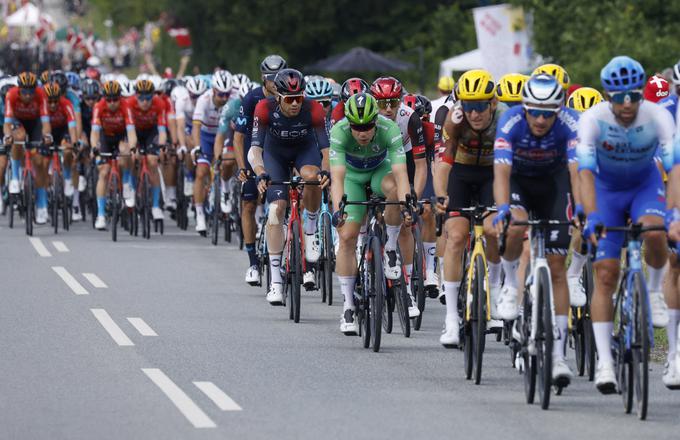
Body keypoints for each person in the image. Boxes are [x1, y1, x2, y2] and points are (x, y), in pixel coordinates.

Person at [577, 56, 673, 392]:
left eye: (634, 95)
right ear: (607, 96)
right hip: (606, 192)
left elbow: (674, 170)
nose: (628, 104)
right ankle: (605, 361)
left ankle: (655, 291)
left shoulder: (658, 116)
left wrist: (673, 213)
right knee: (605, 274)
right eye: (619, 98)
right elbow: (585, 173)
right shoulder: (592, 119)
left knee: (657, 232)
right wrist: (592, 216)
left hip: (645, 187)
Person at [493, 73, 581, 386]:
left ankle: (558, 356)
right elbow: (502, 171)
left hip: (555, 185)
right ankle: (512, 288)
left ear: (558, 111)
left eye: (548, 113)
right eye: (535, 112)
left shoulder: (571, 123)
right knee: (516, 226)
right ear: (524, 108)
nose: (541, 120)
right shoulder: (510, 121)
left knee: (557, 267)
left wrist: (581, 208)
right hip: (520, 182)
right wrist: (503, 208)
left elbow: (576, 170)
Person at [434, 70, 507, 346]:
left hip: (493, 174)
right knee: (455, 236)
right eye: (468, 105)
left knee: (493, 229)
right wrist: (441, 196)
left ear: (493, 103)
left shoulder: (505, 120)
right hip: (461, 175)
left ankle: (497, 292)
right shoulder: (455, 120)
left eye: (480, 106)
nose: (474, 113)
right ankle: (451, 318)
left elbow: (510, 167)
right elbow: (443, 165)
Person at [330, 92, 411, 334]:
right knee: (346, 237)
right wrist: (338, 211)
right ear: (349, 123)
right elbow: (337, 177)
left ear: (376, 121)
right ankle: (348, 305)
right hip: (352, 179)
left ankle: (391, 249)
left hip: (379, 172)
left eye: (367, 126)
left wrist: (407, 205)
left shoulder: (389, 128)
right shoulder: (339, 131)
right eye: (357, 126)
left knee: (395, 194)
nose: (362, 132)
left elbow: (401, 173)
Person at [248, 69, 330, 305]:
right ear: (278, 97)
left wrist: (326, 170)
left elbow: (325, 149)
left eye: (299, 98)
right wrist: (260, 172)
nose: (295, 104)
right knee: (276, 210)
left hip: (305, 152)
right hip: (276, 155)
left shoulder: (312, 108)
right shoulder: (264, 108)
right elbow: (255, 149)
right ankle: (275, 282)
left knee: (313, 177)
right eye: (290, 99)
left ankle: (311, 229)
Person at [233, 54, 287, 285]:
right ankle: (253, 262)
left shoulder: (290, 98)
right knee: (247, 203)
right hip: (253, 153)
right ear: (263, 78)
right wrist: (242, 168)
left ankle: (284, 257)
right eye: (270, 77)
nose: (274, 82)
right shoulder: (251, 98)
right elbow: (237, 139)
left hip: (277, 155)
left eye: (278, 77)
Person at [3, 72, 52, 224]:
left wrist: (47, 135)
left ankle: (42, 205)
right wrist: (7, 136)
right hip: (18, 122)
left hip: (35, 123)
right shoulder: (11, 95)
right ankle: (16, 179)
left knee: (40, 163)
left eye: (31, 91)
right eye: (25, 91)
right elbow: (7, 123)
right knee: (18, 138)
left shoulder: (41, 94)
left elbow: (45, 122)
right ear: (19, 89)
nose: (28, 95)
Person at [91, 80, 137, 230]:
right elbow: (95, 132)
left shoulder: (125, 106)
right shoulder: (99, 106)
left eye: (115, 99)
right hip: (105, 137)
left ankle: (126, 184)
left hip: (121, 136)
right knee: (103, 172)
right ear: (104, 98)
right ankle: (101, 215)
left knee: (126, 152)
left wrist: (133, 147)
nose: (111, 103)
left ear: (120, 98)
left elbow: (131, 132)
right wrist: (94, 147)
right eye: (108, 99)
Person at [191, 70, 232, 234]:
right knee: (201, 172)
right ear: (214, 91)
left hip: (224, 134)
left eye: (226, 95)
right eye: (221, 94)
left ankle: (226, 192)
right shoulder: (203, 100)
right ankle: (200, 214)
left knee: (227, 164)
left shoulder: (233, 100)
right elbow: (196, 126)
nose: (224, 98)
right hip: (206, 136)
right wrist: (196, 147)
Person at [127, 79, 168, 221]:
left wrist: (162, 146)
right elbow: (130, 130)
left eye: (148, 97)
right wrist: (133, 148)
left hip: (151, 132)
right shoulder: (130, 104)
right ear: (136, 96)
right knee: (133, 158)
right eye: (141, 98)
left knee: (153, 162)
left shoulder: (159, 103)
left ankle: (156, 206)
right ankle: (132, 190)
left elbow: (162, 130)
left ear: (153, 96)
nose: (145, 102)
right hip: (135, 132)